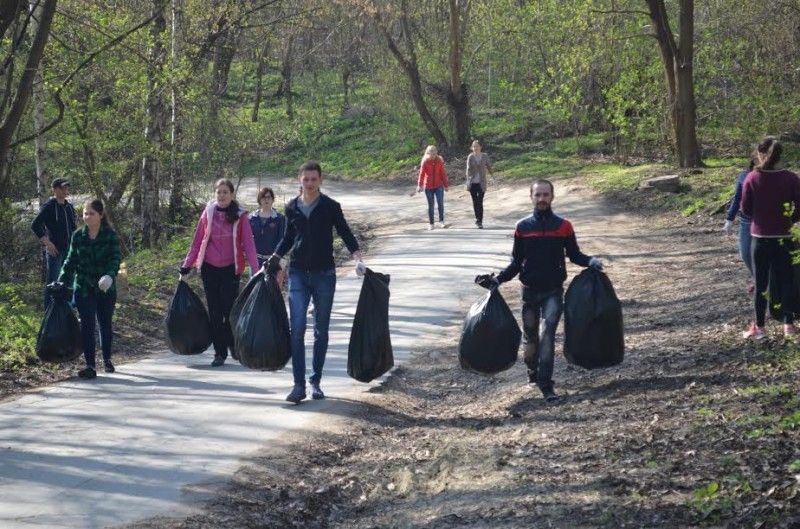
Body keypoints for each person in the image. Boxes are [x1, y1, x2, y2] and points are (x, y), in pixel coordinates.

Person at [478, 179, 602, 402]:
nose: (542, 199)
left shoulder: (564, 226)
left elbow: (575, 255)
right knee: (531, 338)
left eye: (546, 195)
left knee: (548, 336)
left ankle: (546, 384)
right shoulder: (522, 227)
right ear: (531, 197)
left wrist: (591, 261)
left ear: (552, 197)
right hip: (529, 292)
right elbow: (516, 262)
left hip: (554, 291)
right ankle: (532, 372)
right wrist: (498, 279)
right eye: (538, 195)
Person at [266, 161, 365, 404]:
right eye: (306, 179)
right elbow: (288, 237)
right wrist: (276, 256)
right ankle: (298, 385)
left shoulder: (331, 207)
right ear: (299, 180)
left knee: (321, 331)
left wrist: (357, 258)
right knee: (296, 329)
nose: (309, 184)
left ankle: (316, 381)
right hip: (298, 273)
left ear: (320, 180)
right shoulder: (291, 207)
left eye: (314, 179)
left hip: (324, 274)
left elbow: (345, 232)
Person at [181, 178, 259, 366]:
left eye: (225, 192)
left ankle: (233, 344)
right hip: (209, 268)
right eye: (219, 192)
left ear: (232, 195)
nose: (222, 195)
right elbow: (198, 241)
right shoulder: (208, 213)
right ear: (215, 194)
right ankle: (219, 352)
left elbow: (248, 244)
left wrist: (256, 271)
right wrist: (187, 264)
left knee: (229, 310)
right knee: (215, 312)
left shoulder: (241, 216)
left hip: (231, 269)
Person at [740, 137, 800, 340]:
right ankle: (788, 324)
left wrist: (760, 215)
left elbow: (745, 210)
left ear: (760, 154)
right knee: (786, 280)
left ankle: (760, 327)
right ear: (780, 156)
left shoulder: (752, 178)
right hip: (784, 237)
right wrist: (790, 220)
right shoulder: (791, 178)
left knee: (761, 283)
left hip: (760, 238)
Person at [58, 199, 121, 379]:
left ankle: (107, 359)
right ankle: (90, 365)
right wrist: (62, 281)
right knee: (87, 325)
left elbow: (115, 258)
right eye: (85, 213)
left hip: (105, 288)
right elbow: (70, 261)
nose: (87, 217)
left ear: (100, 215)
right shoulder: (78, 236)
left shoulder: (110, 235)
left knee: (105, 323)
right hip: (84, 287)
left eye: (91, 213)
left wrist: (110, 275)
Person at [31, 178, 77, 309]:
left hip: (70, 251)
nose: (65, 190)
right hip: (55, 251)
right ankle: (49, 313)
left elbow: (73, 228)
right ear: (55, 189)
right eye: (62, 188)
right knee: (53, 282)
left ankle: (67, 311)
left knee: (69, 280)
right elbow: (35, 225)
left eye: (66, 188)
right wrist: (47, 243)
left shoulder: (69, 207)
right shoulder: (49, 206)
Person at [723, 160, 756, 285]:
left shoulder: (768, 176)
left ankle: (763, 280)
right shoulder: (743, 176)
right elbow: (737, 198)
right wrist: (729, 219)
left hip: (764, 221)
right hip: (746, 220)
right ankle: (756, 276)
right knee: (745, 253)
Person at [250, 186, 286, 285]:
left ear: (273, 199)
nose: (266, 199)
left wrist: (279, 260)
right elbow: (247, 240)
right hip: (255, 261)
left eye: (269, 197)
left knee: (271, 294)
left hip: (273, 261)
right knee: (255, 292)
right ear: (259, 199)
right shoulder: (251, 218)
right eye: (263, 197)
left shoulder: (279, 219)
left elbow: (282, 240)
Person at [415, 145, 449, 230]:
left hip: (439, 186)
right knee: (431, 205)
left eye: (434, 152)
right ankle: (431, 223)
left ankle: (441, 221)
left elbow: (443, 174)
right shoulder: (425, 162)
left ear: (436, 153)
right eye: (431, 153)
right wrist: (419, 185)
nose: (433, 154)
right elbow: (421, 174)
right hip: (428, 186)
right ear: (428, 153)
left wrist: (446, 185)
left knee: (440, 204)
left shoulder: (439, 161)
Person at [465, 140, 493, 228]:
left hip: (482, 183)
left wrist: (492, 175)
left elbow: (488, 166)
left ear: (480, 147)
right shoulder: (470, 157)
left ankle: (480, 221)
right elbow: (468, 169)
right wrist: (468, 178)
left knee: (480, 202)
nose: (475, 148)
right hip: (472, 183)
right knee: (475, 201)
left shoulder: (485, 156)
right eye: (474, 146)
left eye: (477, 146)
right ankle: (477, 219)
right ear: (472, 148)